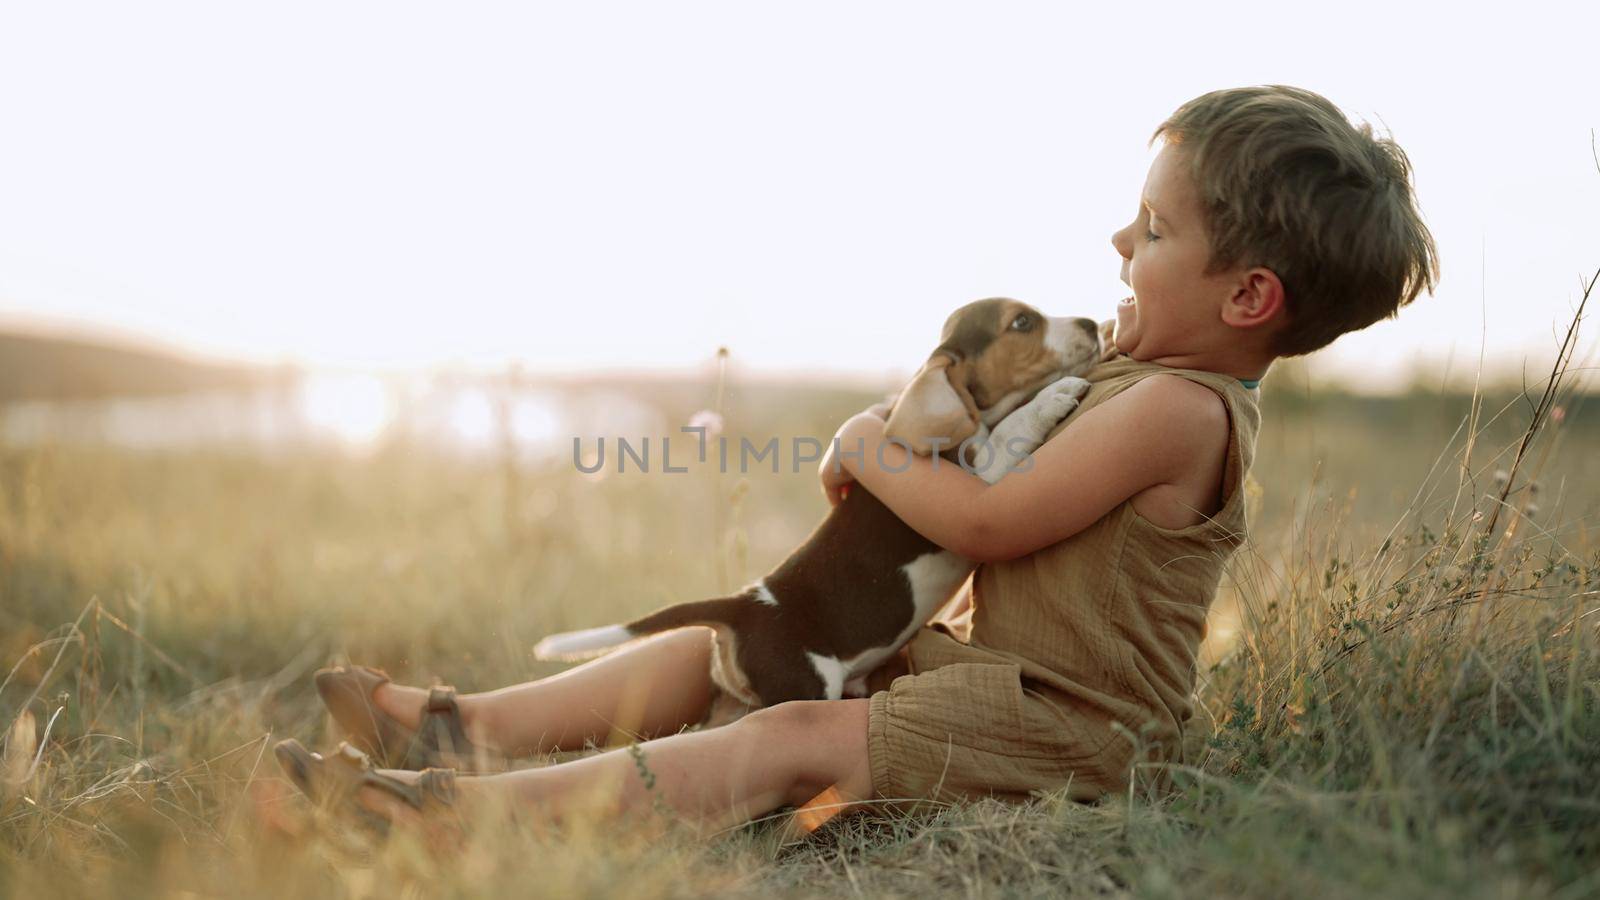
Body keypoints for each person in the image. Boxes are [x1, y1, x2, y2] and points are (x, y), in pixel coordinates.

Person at [273, 84, 1438, 834]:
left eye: (1155, 229)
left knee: (785, 737)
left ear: (1247, 295)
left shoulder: (1183, 411)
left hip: (1072, 724)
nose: (1120, 243)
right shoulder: (1137, 378)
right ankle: (464, 728)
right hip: (985, 677)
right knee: (724, 642)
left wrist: (867, 447)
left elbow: (990, 524)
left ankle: (452, 819)